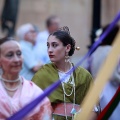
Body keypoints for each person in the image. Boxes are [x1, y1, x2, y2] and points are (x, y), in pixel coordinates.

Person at [32, 26, 93, 120]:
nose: (50, 50)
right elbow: (32, 107)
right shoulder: (42, 75)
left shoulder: (84, 75)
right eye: (48, 45)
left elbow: (93, 107)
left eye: (54, 45)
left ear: (67, 48)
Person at [0, 37, 52, 120]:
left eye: (19, 54)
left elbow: (45, 115)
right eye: (10, 55)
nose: (16, 59)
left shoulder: (34, 91)